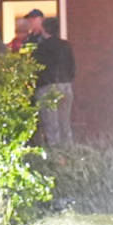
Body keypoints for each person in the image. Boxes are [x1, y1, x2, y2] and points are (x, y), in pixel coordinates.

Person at [34, 15, 76, 147]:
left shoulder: (41, 48)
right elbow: (72, 67)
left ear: (45, 29)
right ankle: (69, 155)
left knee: (51, 127)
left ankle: (56, 158)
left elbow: (35, 68)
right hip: (66, 87)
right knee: (65, 124)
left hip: (48, 88)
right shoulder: (65, 46)